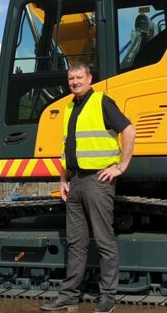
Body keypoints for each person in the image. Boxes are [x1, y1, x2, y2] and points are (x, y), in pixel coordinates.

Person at [41, 63, 136, 313]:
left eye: (79, 77)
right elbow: (68, 148)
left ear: (89, 78)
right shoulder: (70, 107)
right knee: (76, 243)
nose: (74, 82)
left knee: (104, 241)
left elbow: (128, 130)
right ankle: (69, 295)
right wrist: (63, 179)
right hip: (76, 182)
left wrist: (121, 166)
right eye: (71, 78)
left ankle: (108, 297)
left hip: (98, 181)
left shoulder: (102, 101)